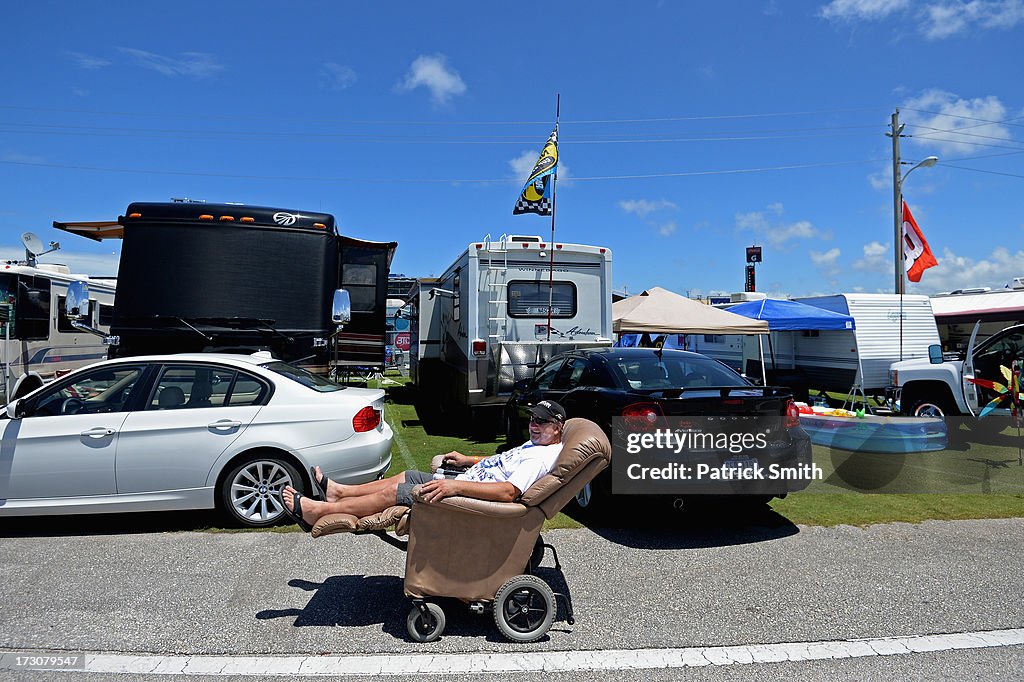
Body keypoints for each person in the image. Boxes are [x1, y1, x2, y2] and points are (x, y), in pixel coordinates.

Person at [280, 400, 567, 532]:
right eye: (532, 419)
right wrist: (469, 460)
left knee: (398, 492)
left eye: (542, 422)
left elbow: (507, 492)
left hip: (468, 498)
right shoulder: (536, 445)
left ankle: (317, 512)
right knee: (406, 475)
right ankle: (340, 493)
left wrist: (453, 484)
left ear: (558, 428)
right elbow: (504, 463)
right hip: (467, 480)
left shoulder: (540, 458)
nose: (534, 425)